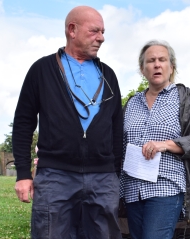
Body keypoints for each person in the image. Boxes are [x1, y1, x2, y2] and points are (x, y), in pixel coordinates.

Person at [13, 6, 123, 239]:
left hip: (103, 179)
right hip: (55, 175)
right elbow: (24, 122)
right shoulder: (42, 70)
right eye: (95, 31)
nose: (101, 38)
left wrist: (115, 174)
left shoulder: (108, 75)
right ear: (72, 30)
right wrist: (23, 174)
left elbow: (116, 128)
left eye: (103, 32)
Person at [120, 40, 190, 239]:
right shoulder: (132, 103)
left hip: (166, 185)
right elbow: (118, 142)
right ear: (142, 68)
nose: (157, 64)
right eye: (151, 61)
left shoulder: (184, 98)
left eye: (162, 60)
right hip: (132, 189)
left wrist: (165, 145)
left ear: (171, 66)